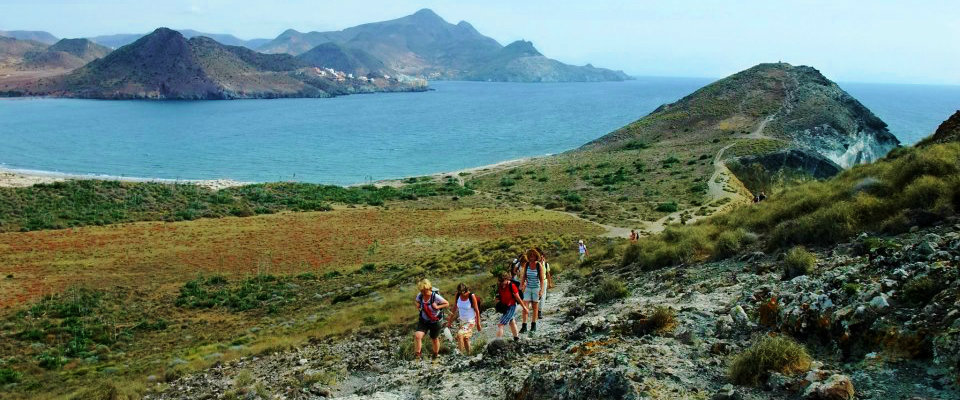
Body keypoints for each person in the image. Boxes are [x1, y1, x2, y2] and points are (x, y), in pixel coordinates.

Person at [413, 279, 449, 362]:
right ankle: (417, 357)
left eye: (424, 290)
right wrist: (418, 305)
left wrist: (437, 307)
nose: (422, 292)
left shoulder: (435, 296)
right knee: (417, 336)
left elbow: (447, 303)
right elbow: (417, 301)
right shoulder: (420, 295)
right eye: (421, 290)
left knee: (434, 339)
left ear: (428, 288)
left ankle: (435, 356)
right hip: (424, 320)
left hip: (435, 321)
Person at [447, 283, 482, 355]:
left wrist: (478, 323)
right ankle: (469, 354)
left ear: (466, 290)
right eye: (460, 292)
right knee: (466, 339)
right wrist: (449, 321)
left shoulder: (471, 296)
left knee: (460, 335)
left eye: (463, 292)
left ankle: (461, 354)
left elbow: (477, 310)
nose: (462, 294)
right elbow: (454, 308)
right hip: (462, 321)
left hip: (470, 321)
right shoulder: (458, 295)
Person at [519, 249, 546, 335]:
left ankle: (533, 325)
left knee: (535, 307)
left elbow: (541, 280)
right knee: (525, 307)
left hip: (536, 288)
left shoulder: (539, 265)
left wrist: (541, 290)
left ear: (536, 256)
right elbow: (524, 276)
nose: (531, 257)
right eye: (530, 256)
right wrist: (521, 285)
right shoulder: (527, 264)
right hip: (528, 288)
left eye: (533, 256)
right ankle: (524, 326)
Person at [495, 272, 527, 341]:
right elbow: (499, 296)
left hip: (511, 307)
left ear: (507, 279)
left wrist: (524, 307)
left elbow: (518, 298)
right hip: (504, 307)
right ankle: (516, 338)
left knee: (501, 324)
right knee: (512, 321)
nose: (501, 283)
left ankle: (497, 342)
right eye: (500, 281)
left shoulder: (512, 286)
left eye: (502, 281)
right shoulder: (500, 285)